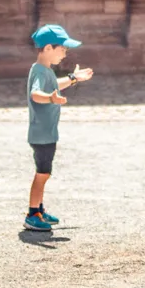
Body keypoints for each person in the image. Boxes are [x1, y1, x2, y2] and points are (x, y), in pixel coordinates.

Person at [23, 24, 93, 232]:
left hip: (46, 134)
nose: (65, 53)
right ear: (47, 49)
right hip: (41, 135)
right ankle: (32, 214)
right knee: (42, 174)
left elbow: (53, 85)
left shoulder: (45, 71)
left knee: (45, 173)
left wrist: (73, 78)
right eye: (62, 48)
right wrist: (50, 98)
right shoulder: (40, 71)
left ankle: (39, 210)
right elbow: (35, 94)